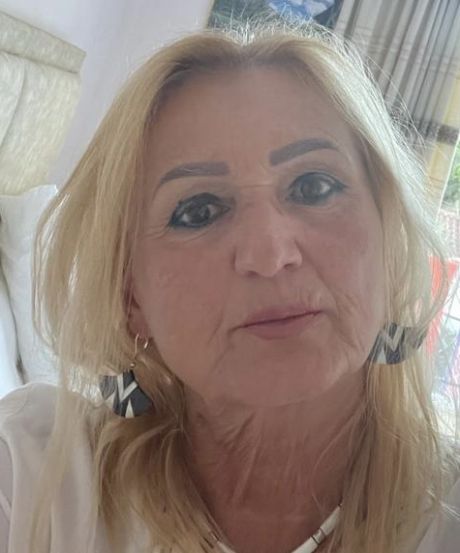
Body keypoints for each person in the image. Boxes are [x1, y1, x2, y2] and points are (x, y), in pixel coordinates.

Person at [0, 21, 459, 553]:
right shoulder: (34, 474)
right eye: (198, 211)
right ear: (131, 297)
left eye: (314, 186)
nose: (270, 254)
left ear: (388, 239)